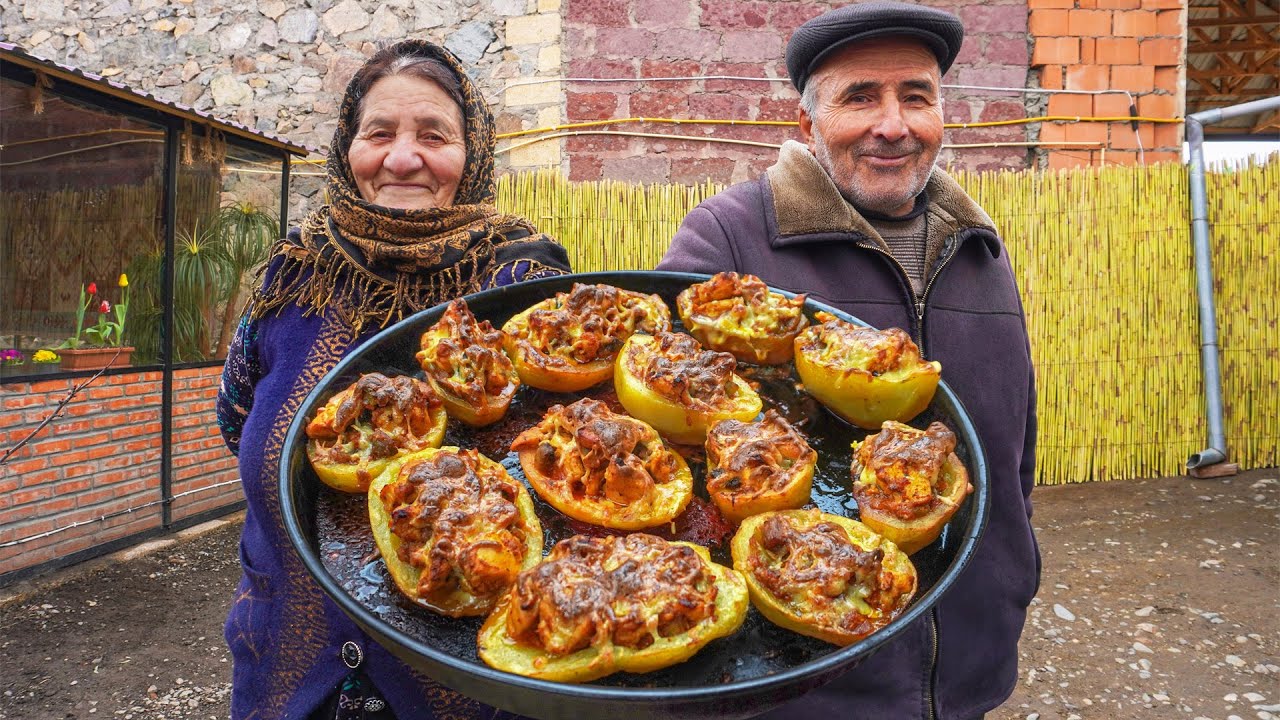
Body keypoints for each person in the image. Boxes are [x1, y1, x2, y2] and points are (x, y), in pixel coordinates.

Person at [657, 3, 1038, 719]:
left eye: (916, 97)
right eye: (860, 97)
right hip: (805, 685)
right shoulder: (732, 240)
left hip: (968, 668)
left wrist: (1017, 572)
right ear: (807, 124)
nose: (892, 124)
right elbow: (670, 444)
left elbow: (1013, 443)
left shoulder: (980, 248)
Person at [216, 39, 569, 720]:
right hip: (288, 672)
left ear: (473, 155)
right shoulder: (293, 278)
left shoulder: (529, 290)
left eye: (433, 135)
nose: (401, 157)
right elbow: (238, 424)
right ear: (349, 147)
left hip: (472, 695)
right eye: (379, 133)